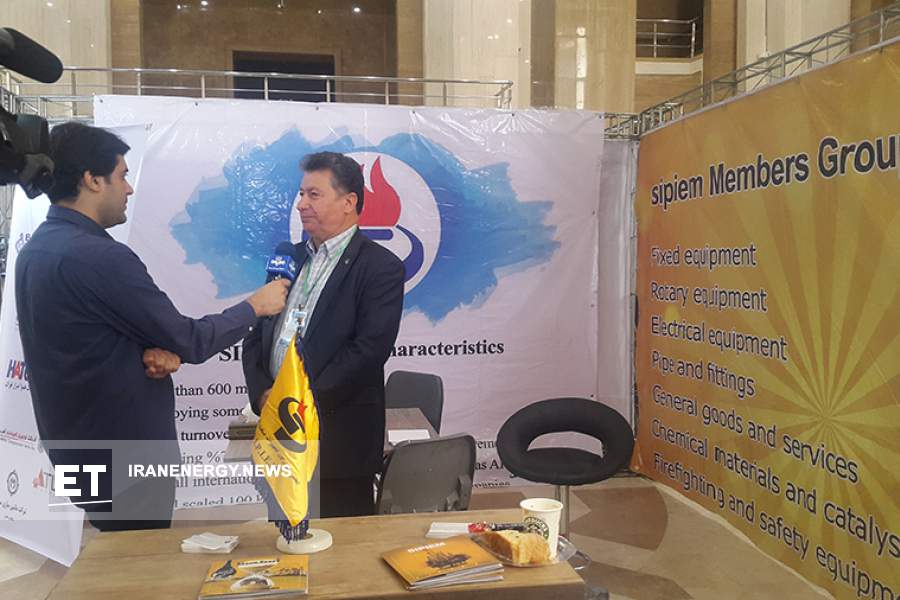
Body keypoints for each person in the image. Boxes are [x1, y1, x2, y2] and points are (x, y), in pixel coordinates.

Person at [15, 122, 290, 531]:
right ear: (93, 180)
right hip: (126, 460)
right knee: (137, 555)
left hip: (75, 450)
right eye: (122, 175)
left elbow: (83, 339)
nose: (128, 189)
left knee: (113, 543)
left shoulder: (37, 248)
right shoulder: (100, 258)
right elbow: (190, 340)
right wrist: (255, 306)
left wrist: (148, 353)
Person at [242, 151, 405, 517]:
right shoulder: (288, 257)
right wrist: (264, 393)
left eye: (313, 194)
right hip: (278, 438)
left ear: (349, 202)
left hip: (337, 444)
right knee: (284, 539)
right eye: (301, 194)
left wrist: (294, 403)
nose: (301, 204)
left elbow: (368, 351)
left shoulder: (380, 267)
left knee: (340, 547)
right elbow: (257, 333)